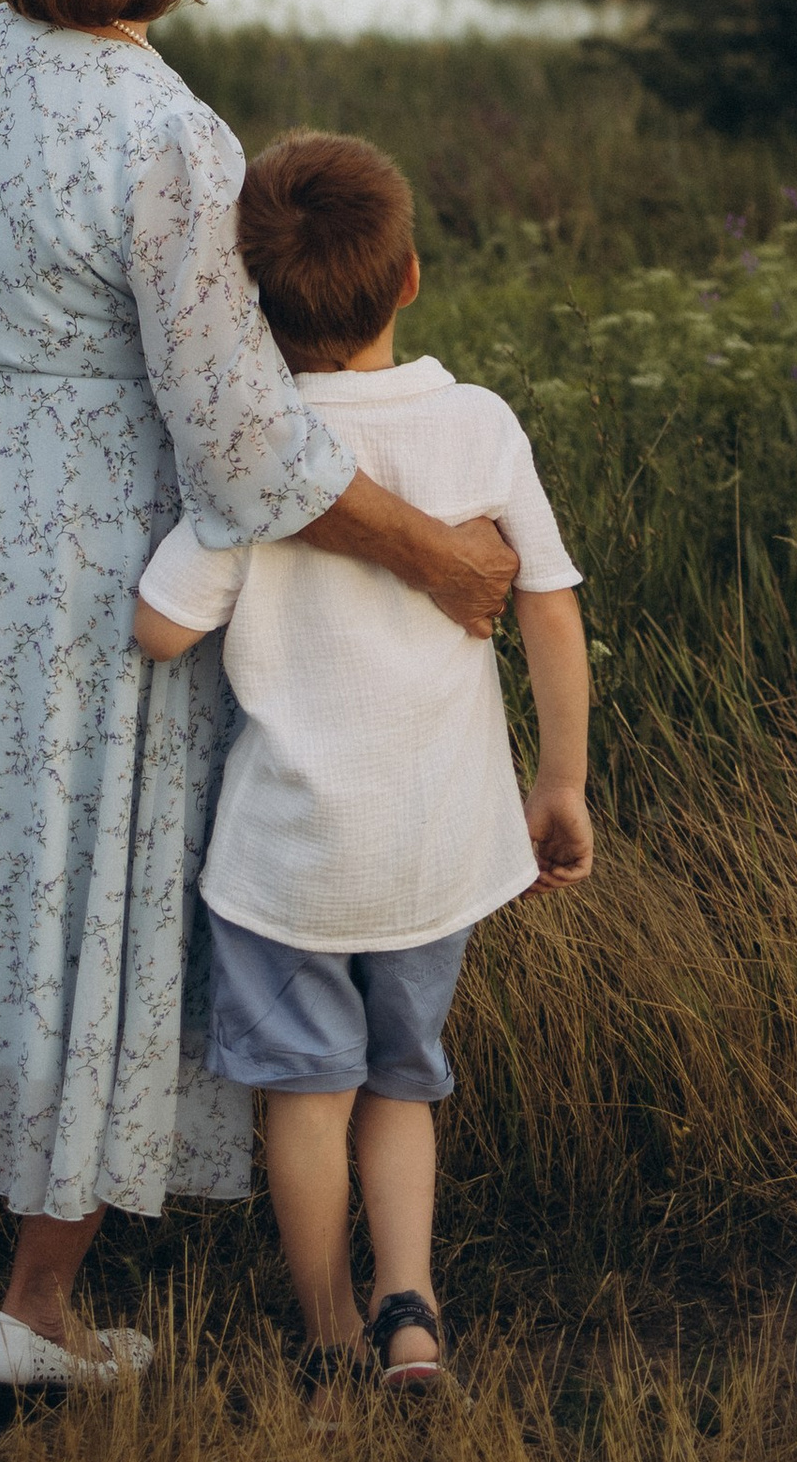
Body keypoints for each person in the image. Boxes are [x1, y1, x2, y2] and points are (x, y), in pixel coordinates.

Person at [0, 0, 522, 1390]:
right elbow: (241, 441)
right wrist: (432, 555)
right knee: (88, 891)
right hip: (87, 556)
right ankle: (36, 1315)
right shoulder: (170, 136)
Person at [131, 126, 591, 1397]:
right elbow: (545, 602)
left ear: (252, 305)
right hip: (439, 845)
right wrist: (559, 782)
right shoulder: (479, 427)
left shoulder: (257, 458)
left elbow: (162, 628)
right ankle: (414, 1315)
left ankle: (330, 1333)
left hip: (289, 860)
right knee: (402, 1084)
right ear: (409, 278)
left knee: (306, 1101)